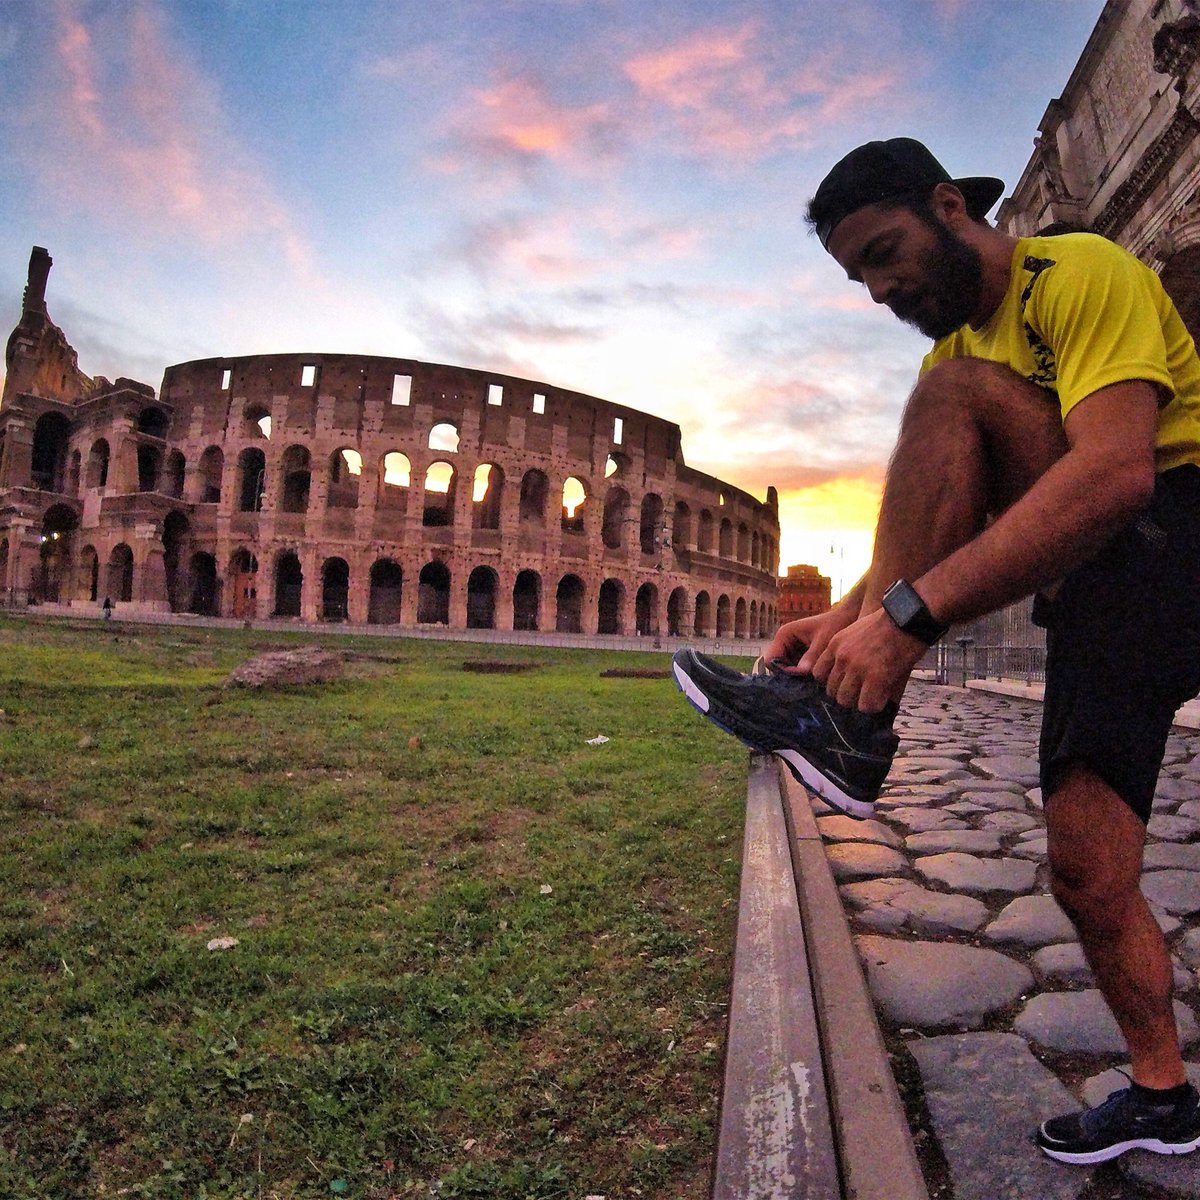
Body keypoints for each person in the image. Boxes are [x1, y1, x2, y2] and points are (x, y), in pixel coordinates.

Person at [672, 137, 1200, 1164]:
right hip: (1107, 588)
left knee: (952, 399)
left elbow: (1117, 474)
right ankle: (1164, 1093)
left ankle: (857, 725)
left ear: (949, 206)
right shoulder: (950, 355)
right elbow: (930, 527)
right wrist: (843, 622)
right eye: (858, 275)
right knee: (1088, 871)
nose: (877, 290)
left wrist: (902, 625)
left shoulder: (1077, 271)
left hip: (1178, 526)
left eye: (882, 254)